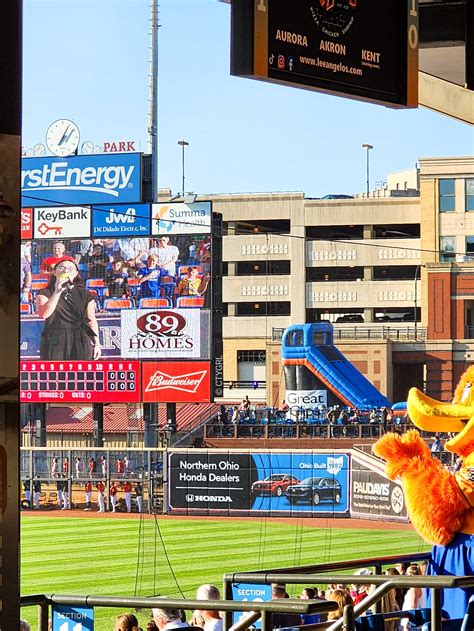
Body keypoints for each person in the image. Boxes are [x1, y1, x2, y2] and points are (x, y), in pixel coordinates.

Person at [36, 258, 101, 360]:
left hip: (80, 338)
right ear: (54, 272)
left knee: (80, 373)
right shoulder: (44, 293)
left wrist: (96, 343)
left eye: (70, 269)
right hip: (54, 338)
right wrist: (57, 292)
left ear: (75, 273)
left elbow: (91, 320)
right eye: (62, 268)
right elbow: (43, 314)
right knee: (56, 373)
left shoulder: (86, 294)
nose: (66, 271)